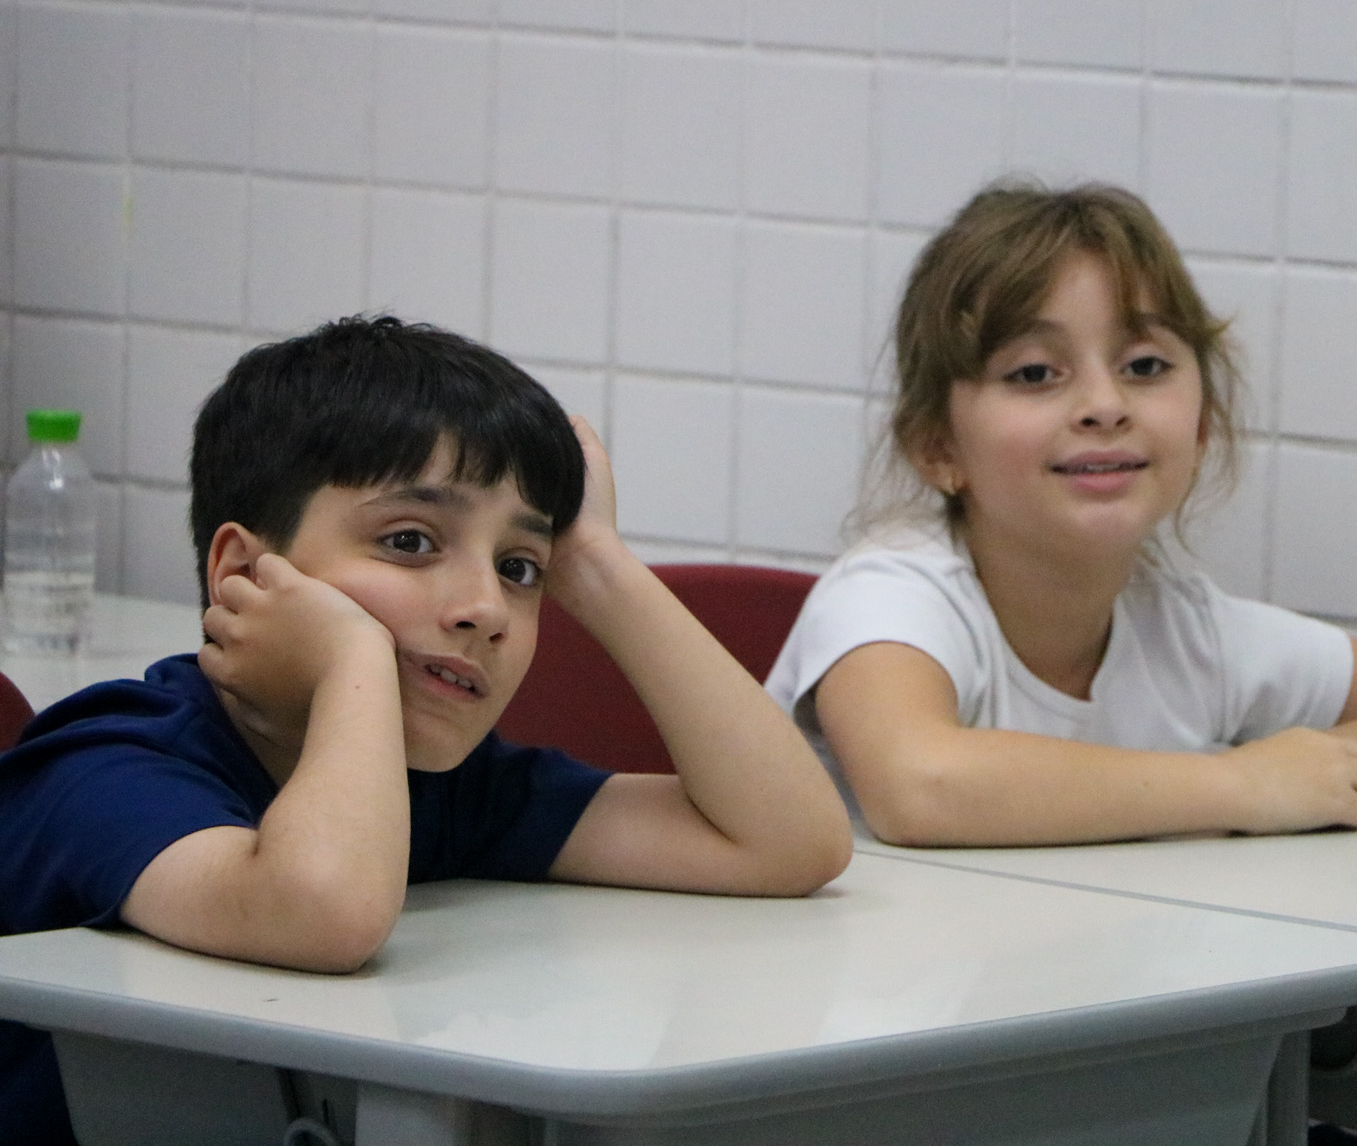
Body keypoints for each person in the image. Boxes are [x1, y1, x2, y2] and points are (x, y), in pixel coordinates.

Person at [0, 316, 852, 1144]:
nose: (486, 607)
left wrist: (597, 563)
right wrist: (351, 653)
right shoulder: (106, 764)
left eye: (520, 567)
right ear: (242, 575)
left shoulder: (443, 786)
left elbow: (788, 840)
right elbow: (325, 911)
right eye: (409, 540)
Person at [767, 181, 1357, 847]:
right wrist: (1242, 785)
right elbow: (920, 784)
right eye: (1035, 373)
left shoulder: (1190, 634)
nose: (1104, 404)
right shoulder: (892, 593)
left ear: (1201, 423)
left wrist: (1345, 759)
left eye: (1145, 365)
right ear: (937, 445)